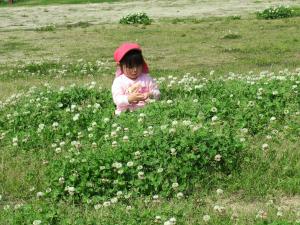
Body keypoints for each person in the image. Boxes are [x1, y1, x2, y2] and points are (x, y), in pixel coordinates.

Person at [112, 43, 160, 115]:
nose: (135, 70)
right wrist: (129, 99)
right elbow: (117, 100)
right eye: (130, 67)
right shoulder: (119, 81)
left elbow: (158, 93)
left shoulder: (146, 79)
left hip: (147, 112)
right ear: (120, 66)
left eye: (138, 66)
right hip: (125, 113)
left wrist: (151, 94)